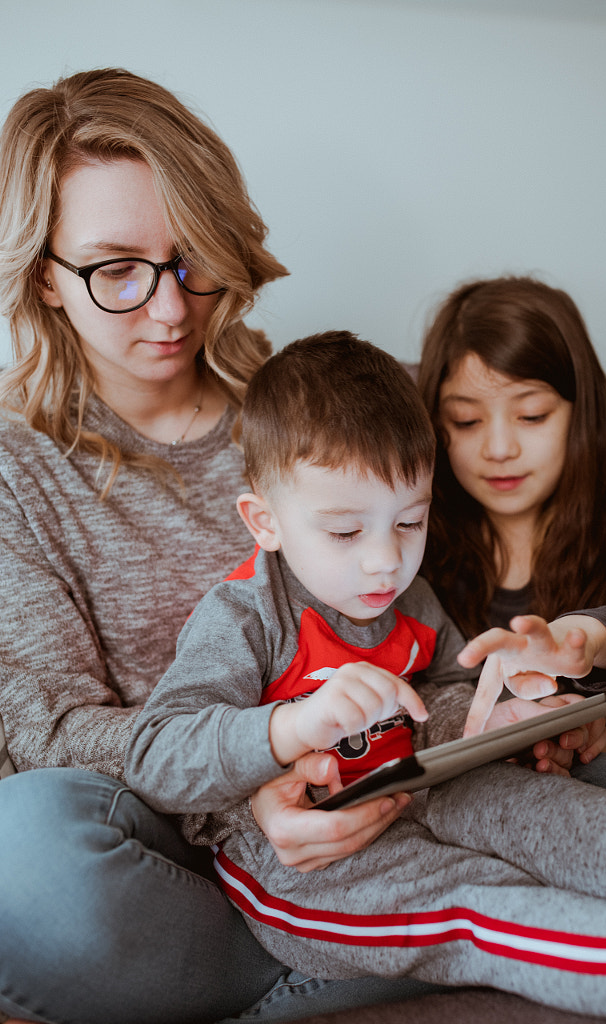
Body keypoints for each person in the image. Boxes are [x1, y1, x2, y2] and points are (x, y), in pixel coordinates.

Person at [0, 68, 449, 1024]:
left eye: (191, 259)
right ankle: (363, 961)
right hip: (169, 851)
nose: (169, 308)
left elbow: (398, 623)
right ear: (44, 273)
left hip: (351, 803)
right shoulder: (12, 465)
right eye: (114, 270)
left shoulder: (299, 414)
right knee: (23, 852)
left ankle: (330, 962)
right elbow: (45, 735)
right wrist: (253, 778)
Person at [126, 332, 606, 1024]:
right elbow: (154, 754)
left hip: (433, 795)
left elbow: (451, 695)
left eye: (410, 522)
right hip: (317, 870)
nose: (385, 563)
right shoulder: (242, 616)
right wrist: (291, 725)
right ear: (264, 521)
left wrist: (507, 715)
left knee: (566, 812)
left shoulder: (410, 598)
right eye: (345, 533)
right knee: (477, 904)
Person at [417, 275, 606, 798]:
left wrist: (580, 642)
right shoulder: (422, 522)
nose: (499, 448)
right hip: (503, 754)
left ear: (578, 413)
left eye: (531, 415)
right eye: (467, 421)